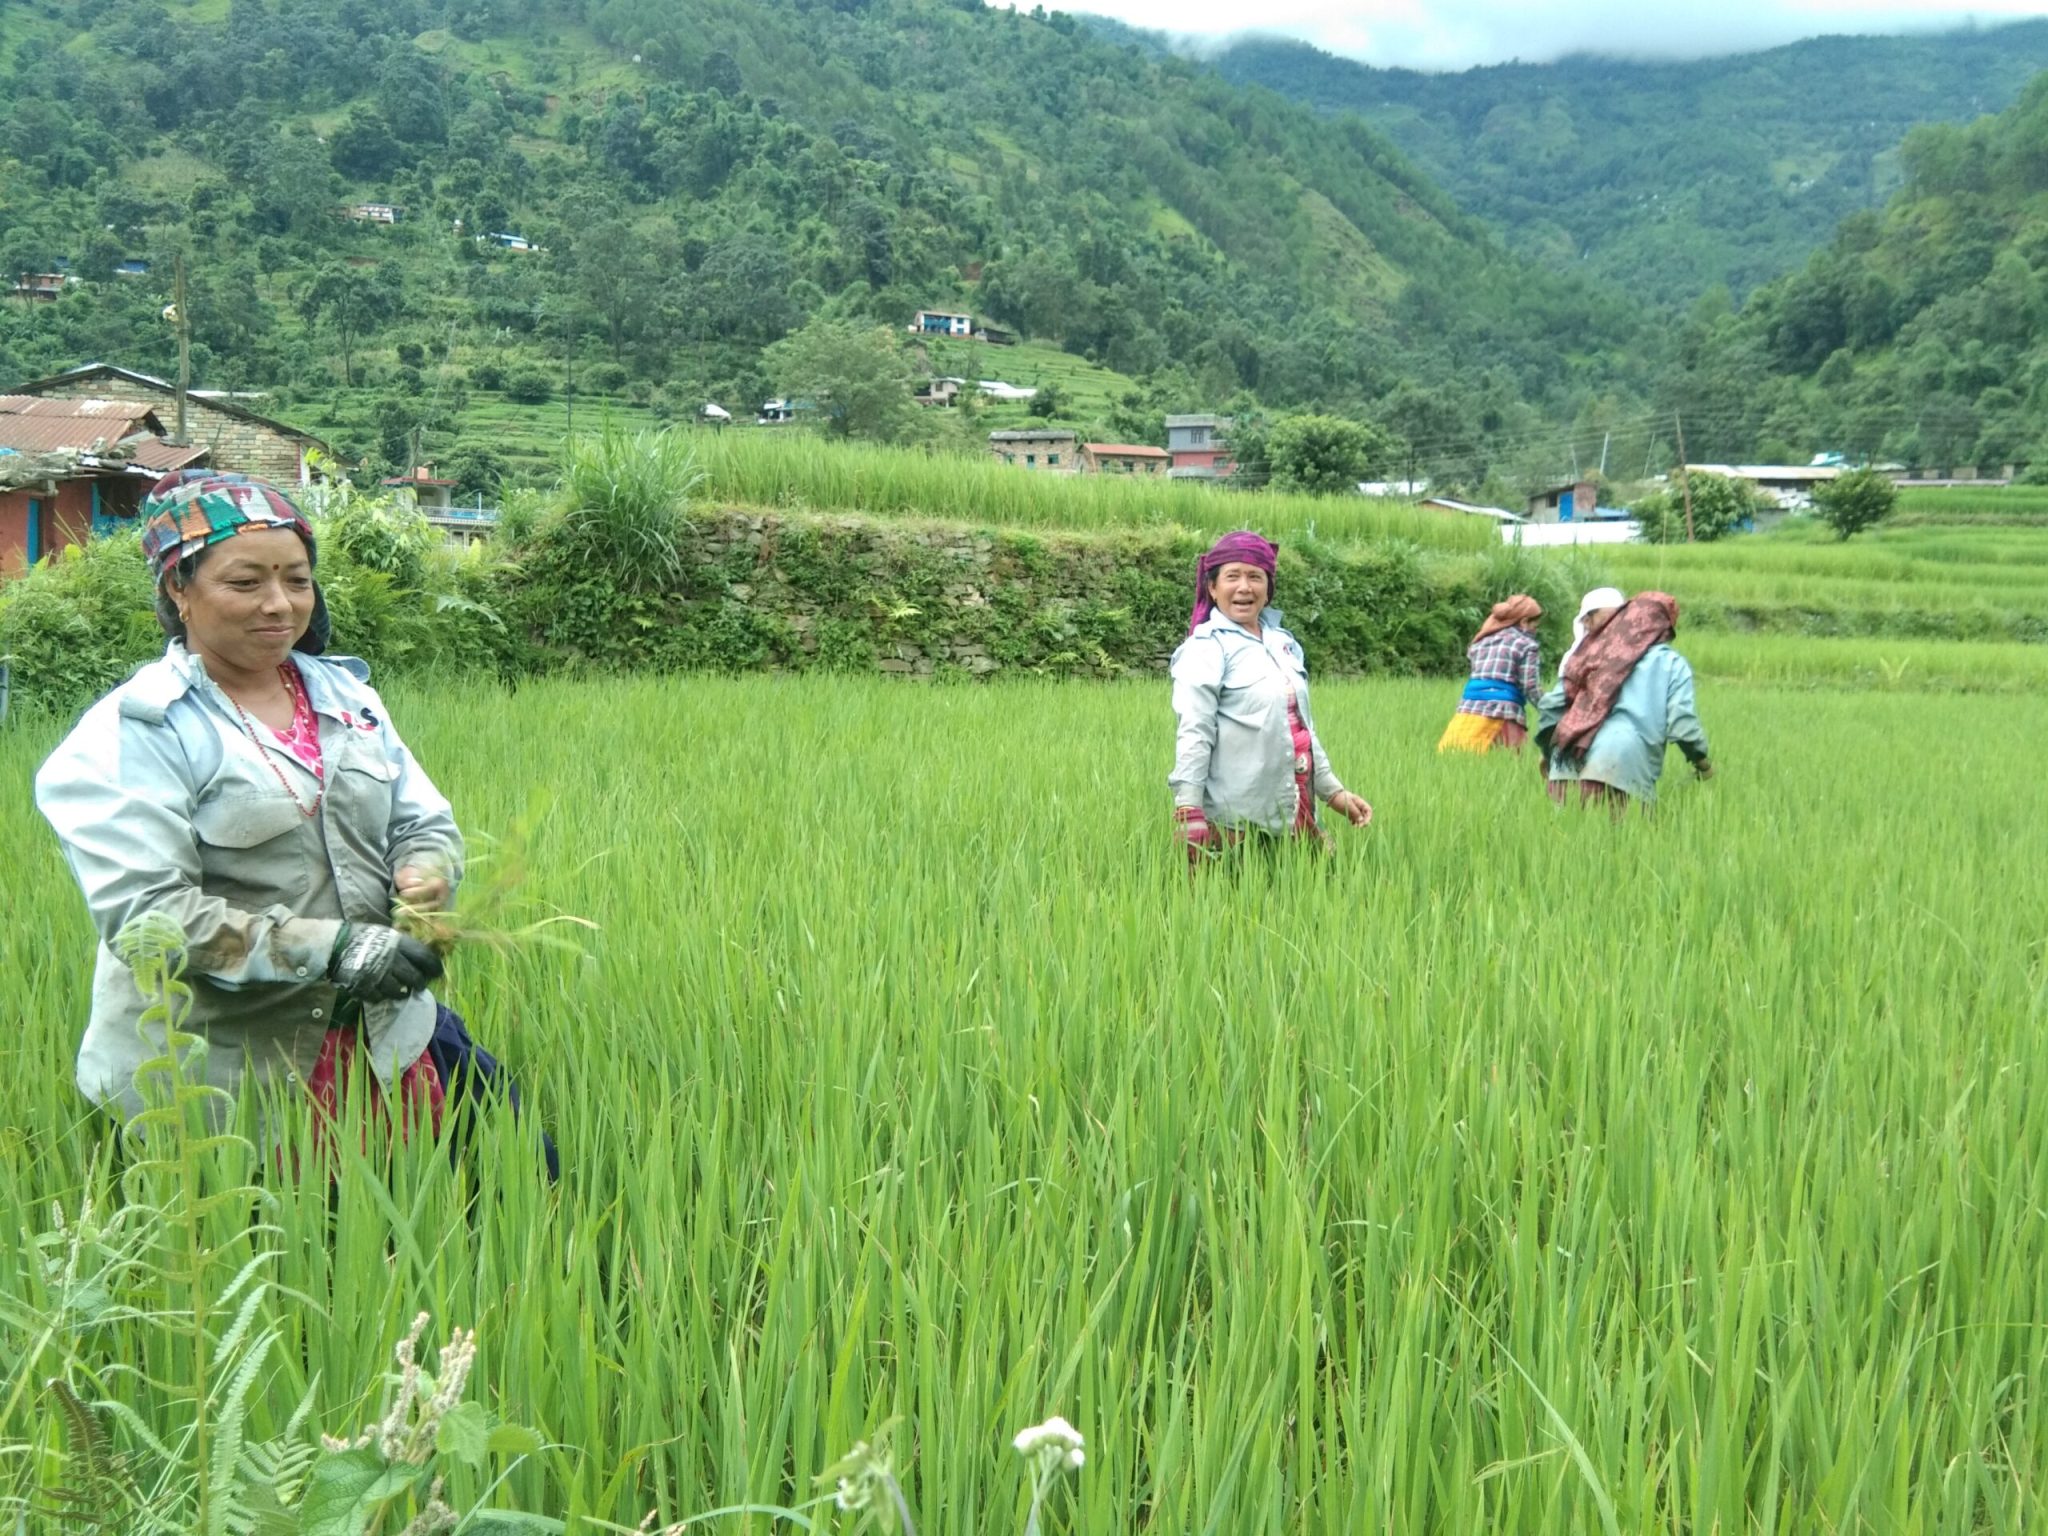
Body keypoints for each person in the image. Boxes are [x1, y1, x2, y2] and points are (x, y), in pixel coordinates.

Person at [35, 471, 551, 1173]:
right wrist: (335, 949)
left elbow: (421, 818)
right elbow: (149, 919)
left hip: (383, 1031)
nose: (279, 604)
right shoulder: (133, 735)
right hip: (232, 1068)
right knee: (312, 1265)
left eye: (297, 579)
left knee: (519, 1180)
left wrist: (425, 871)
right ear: (178, 591)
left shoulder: (347, 696)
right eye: (246, 583)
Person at [1168, 530, 1372, 864]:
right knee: (1230, 902)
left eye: (1255, 577)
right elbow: (1195, 731)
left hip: (1294, 805)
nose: (1244, 587)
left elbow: (1301, 730)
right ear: (1212, 587)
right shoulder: (1205, 649)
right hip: (1235, 816)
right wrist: (1188, 808)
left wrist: (1334, 793)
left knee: (1311, 894)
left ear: (1268, 589)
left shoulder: (1284, 644)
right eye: (1232, 576)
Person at [1535, 590, 1712, 809]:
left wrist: (1550, 750)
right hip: (1617, 764)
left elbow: (1552, 705)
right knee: (1621, 840)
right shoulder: (1672, 664)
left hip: (1564, 763)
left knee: (1563, 839)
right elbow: (1682, 726)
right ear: (1666, 627)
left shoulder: (1594, 652)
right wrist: (1702, 764)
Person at [1438, 594, 1543, 753]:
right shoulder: (1527, 645)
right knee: (1506, 768)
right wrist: (1548, 709)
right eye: (1535, 624)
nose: (1536, 629)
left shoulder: (1482, 640)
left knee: (1456, 756)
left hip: (1468, 709)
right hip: (1502, 712)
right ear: (1523, 622)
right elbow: (1530, 685)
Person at [1558, 586, 1625, 674]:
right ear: (1587, 620)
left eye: (1618, 618)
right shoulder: (1572, 661)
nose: (1613, 624)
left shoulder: (1634, 652)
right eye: (1607, 620)